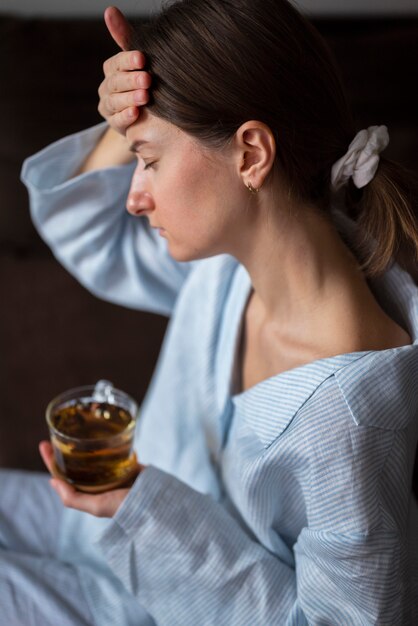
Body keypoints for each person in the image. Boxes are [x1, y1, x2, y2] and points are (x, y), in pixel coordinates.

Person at [4, 1, 418, 623]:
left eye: (149, 161)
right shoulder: (234, 259)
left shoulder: (347, 422)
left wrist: (144, 508)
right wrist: (129, 121)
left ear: (251, 153)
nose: (135, 198)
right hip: (93, 535)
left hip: (139, 606)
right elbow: (90, 234)